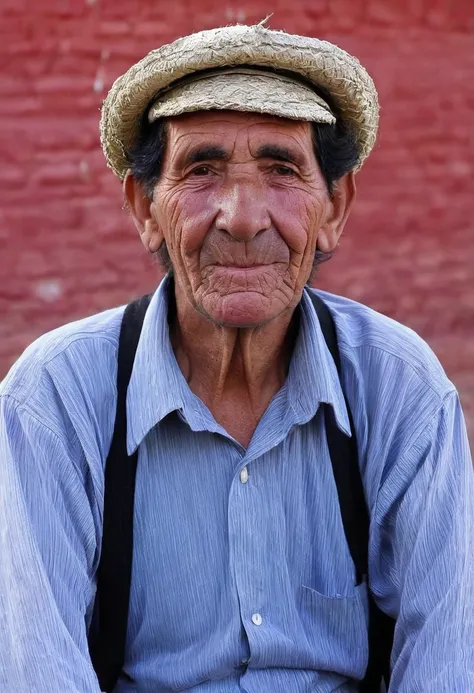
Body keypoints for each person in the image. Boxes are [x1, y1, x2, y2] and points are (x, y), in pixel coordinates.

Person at [0, 22, 473, 693]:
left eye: (281, 170)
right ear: (145, 207)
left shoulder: (400, 388)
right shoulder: (53, 400)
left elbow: (449, 660)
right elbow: (37, 671)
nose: (243, 217)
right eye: (202, 170)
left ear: (333, 207)